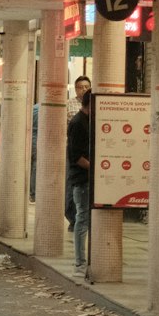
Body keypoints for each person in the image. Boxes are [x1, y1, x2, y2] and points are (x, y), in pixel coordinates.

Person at [66, 86, 93, 275]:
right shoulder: (78, 123)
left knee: (85, 219)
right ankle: (79, 263)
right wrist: (96, 169)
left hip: (89, 179)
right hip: (82, 180)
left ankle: (84, 261)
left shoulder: (89, 121)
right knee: (82, 219)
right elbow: (76, 156)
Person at [65, 76, 91, 230]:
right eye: (81, 87)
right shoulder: (71, 108)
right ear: (75, 89)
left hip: (87, 155)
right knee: (73, 187)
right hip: (76, 152)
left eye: (87, 86)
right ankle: (72, 217)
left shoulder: (91, 112)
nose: (84, 89)